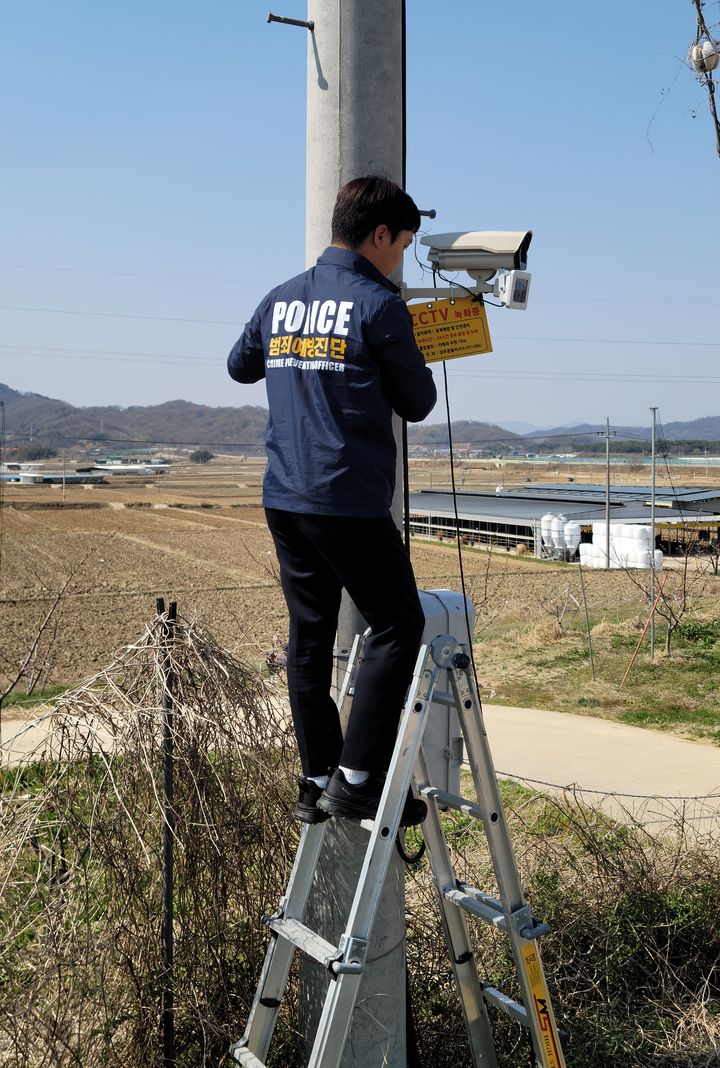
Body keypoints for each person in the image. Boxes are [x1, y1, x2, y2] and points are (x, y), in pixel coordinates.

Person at [227, 175, 437, 826]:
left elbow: (240, 365)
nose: (401, 258)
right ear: (380, 235)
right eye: (403, 245)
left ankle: (316, 776)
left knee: (310, 637)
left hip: (285, 496)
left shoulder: (281, 298)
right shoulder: (379, 305)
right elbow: (418, 402)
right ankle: (358, 779)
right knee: (398, 625)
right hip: (345, 498)